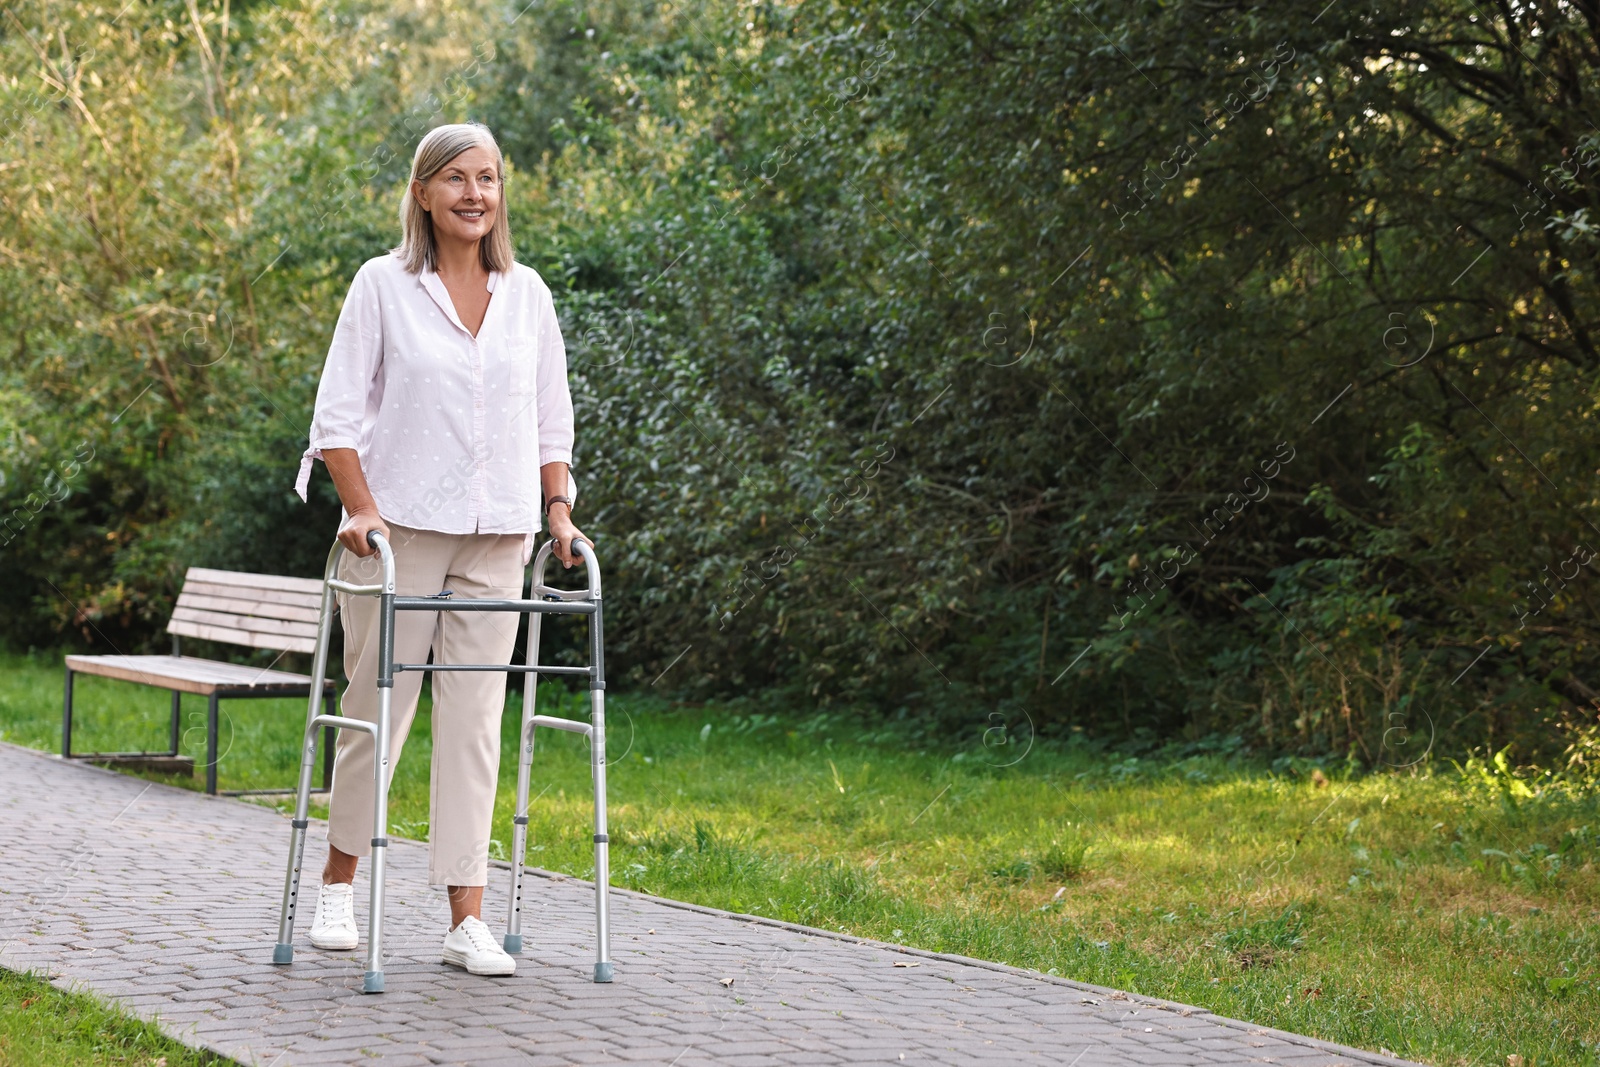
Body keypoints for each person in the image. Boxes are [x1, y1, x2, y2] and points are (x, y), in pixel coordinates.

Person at [291, 121, 589, 977]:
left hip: (499, 533)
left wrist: (559, 510)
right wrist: (360, 507)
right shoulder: (383, 285)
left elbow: (550, 414)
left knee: (474, 726)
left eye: (488, 178)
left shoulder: (527, 292)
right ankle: (340, 880)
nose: (474, 194)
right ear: (423, 192)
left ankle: (466, 917)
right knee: (377, 712)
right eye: (456, 178)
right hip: (399, 532)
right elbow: (337, 416)